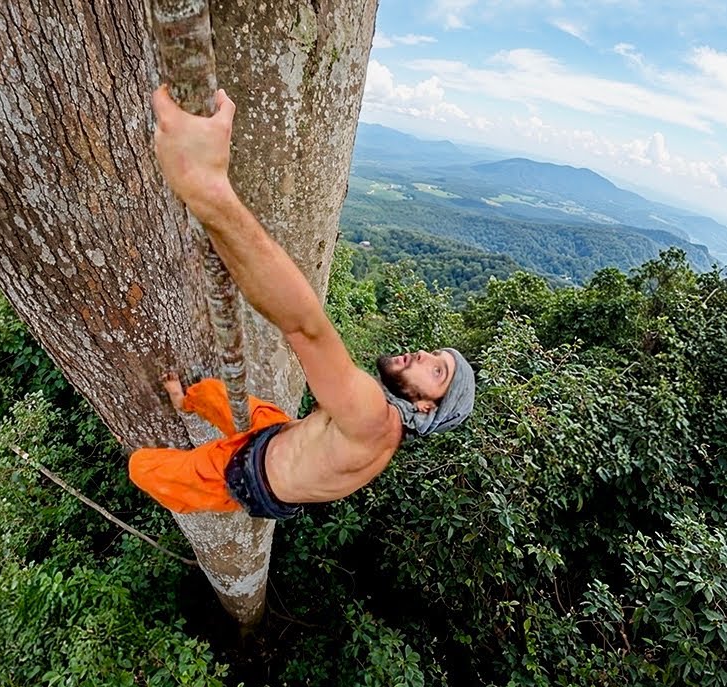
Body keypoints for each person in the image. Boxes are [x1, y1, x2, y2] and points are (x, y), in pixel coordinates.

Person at [129, 86, 475, 520]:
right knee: (217, 396)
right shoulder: (379, 435)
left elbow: (305, 326)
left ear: (426, 407)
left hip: (240, 475)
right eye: (435, 356)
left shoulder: (371, 418)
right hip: (277, 433)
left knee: (142, 468)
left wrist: (208, 191)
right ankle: (187, 400)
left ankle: (170, 440)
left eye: (437, 371)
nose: (424, 356)